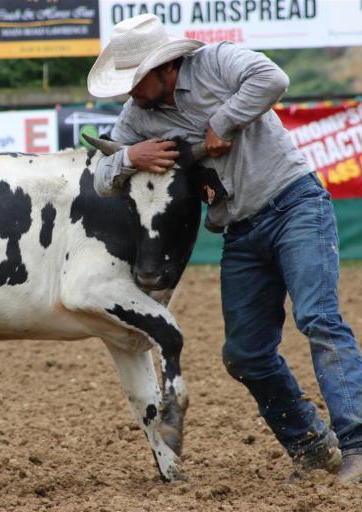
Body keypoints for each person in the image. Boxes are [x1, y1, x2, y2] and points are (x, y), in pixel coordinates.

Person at [87, 13, 362, 483]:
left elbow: (273, 78)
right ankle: (311, 446)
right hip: (239, 229)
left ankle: (357, 445)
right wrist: (131, 157)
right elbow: (99, 175)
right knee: (245, 355)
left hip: (294, 202)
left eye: (134, 80)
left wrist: (224, 120)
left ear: (163, 67)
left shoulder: (216, 62)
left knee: (317, 318)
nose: (128, 92)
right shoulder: (136, 118)